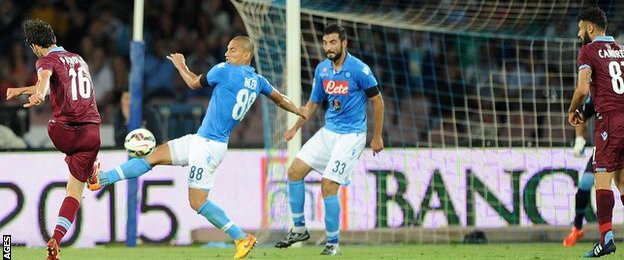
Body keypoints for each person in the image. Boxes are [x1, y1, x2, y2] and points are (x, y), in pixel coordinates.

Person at [90, 36, 306, 259]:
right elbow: (280, 98)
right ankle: (101, 179)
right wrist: (299, 110)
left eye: (232, 50)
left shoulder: (224, 70)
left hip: (209, 147)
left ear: (246, 55)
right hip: (201, 140)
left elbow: (193, 83)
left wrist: (181, 65)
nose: (226, 54)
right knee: (153, 157)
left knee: (197, 201)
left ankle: (241, 237)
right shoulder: (259, 81)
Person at [274, 24, 385, 255]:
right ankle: (299, 228)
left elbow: (378, 101)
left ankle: (333, 244)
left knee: (328, 185)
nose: (328, 47)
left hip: (351, 136)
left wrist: (377, 137)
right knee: (294, 171)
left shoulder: (359, 70)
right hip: (328, 132)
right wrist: (296, 127)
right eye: (325, 43)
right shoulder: (322, 69)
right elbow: (313, 103)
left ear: (344, 43)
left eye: (333, 42)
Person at [6, 19, 101, 260]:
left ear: (35, 46)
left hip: (64, 130)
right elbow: (51, 84)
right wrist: (24, 91)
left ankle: (91, 169)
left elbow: (45, 80)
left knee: (54, 128)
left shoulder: (45, 60)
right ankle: (56, 241)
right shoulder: (78, 59)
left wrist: (37, 93)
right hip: (92, 134)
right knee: (74, 193)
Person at [568, 7, 624, 257]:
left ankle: (606, 239)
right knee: (622, 182)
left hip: (609, 121)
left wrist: (572, 109)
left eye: (581, 28)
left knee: (601, 180)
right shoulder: (622, 50)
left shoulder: (588, 51)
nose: (579, 33)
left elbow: (582, 89)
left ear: (590, 28)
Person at [563, 95, 595, 247]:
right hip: (604, 148)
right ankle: (577, 228)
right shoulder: (600, 92)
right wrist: (579, 140)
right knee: (585, 183)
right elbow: (581, 115)